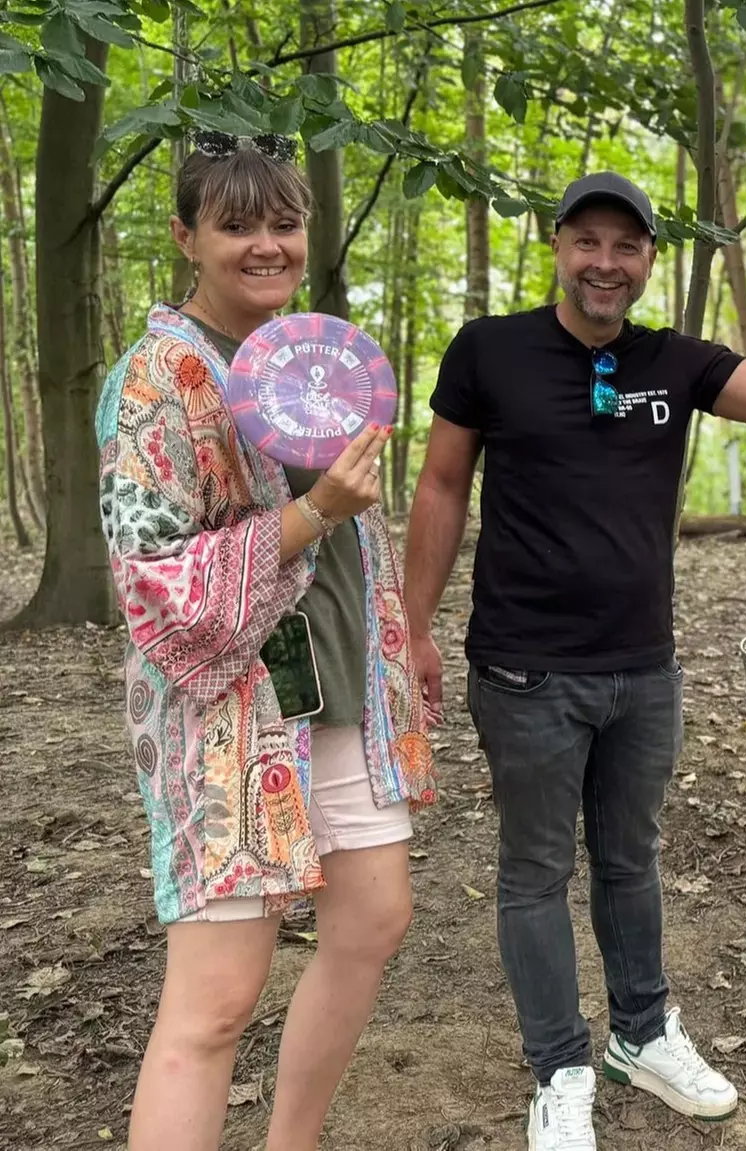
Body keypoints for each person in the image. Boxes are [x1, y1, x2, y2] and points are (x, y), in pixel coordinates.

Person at [402, 171, 746, 1150]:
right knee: (534, 870)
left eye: (626, 246)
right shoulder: (489, 349)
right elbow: (438, 486)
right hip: (524, 669)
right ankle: (558, 1066)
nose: (606, 262)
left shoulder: (675, 362)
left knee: (631, 858)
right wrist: (412, 628)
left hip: (643, 669)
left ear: (648, 259)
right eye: (588, 241)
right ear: (558, 246)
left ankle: (642, 1032)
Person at [97, 130, 438, 1151]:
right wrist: (313, 511)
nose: (265, 244)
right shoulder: (160, 379)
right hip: (229, 712)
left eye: (283, 223)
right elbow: (155, 590)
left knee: (375, 919)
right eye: (235, 223)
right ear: (186, 237)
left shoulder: (316, 359)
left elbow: (361, 533)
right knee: (216, 999)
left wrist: (402, 636)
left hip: (341, 690)